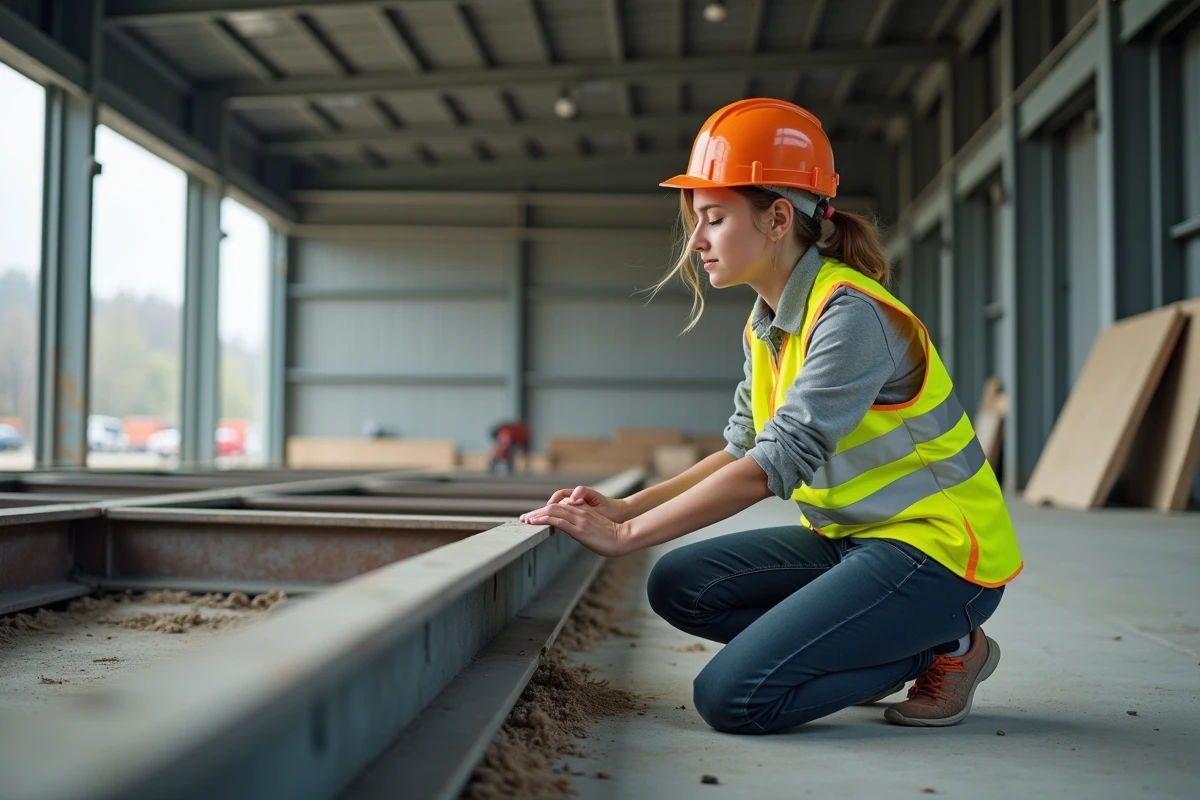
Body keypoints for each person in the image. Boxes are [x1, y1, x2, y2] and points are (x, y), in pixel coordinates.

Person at [520, 98, 1022, 734]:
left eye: (714, 218)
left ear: (778, 217)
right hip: (852, 544)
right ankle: (884, 642)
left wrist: (623, 540)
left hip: (940, 558)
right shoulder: (768, 327)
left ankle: (945, 646)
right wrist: (627, 508)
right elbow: (738, 449)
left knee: (734, 698)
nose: (697, 241)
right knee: (678, 584)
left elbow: (771, 465)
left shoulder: (850, 314)